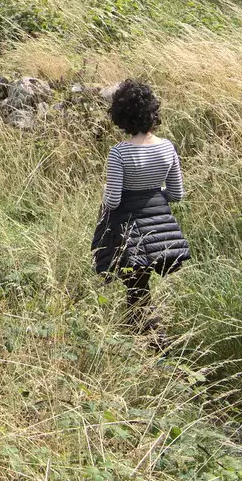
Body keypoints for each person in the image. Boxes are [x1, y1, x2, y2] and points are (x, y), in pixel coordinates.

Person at [91, 79, 190, 333]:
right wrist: (154, 197)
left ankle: (153, 341)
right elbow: (177, 194)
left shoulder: (119, 153)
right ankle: (143, 337)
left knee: (136, 288)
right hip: (161, 229)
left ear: (121, 116)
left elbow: (112, 200)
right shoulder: (167, 148)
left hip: (129, 230)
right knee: (139, 288)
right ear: (152, 112)